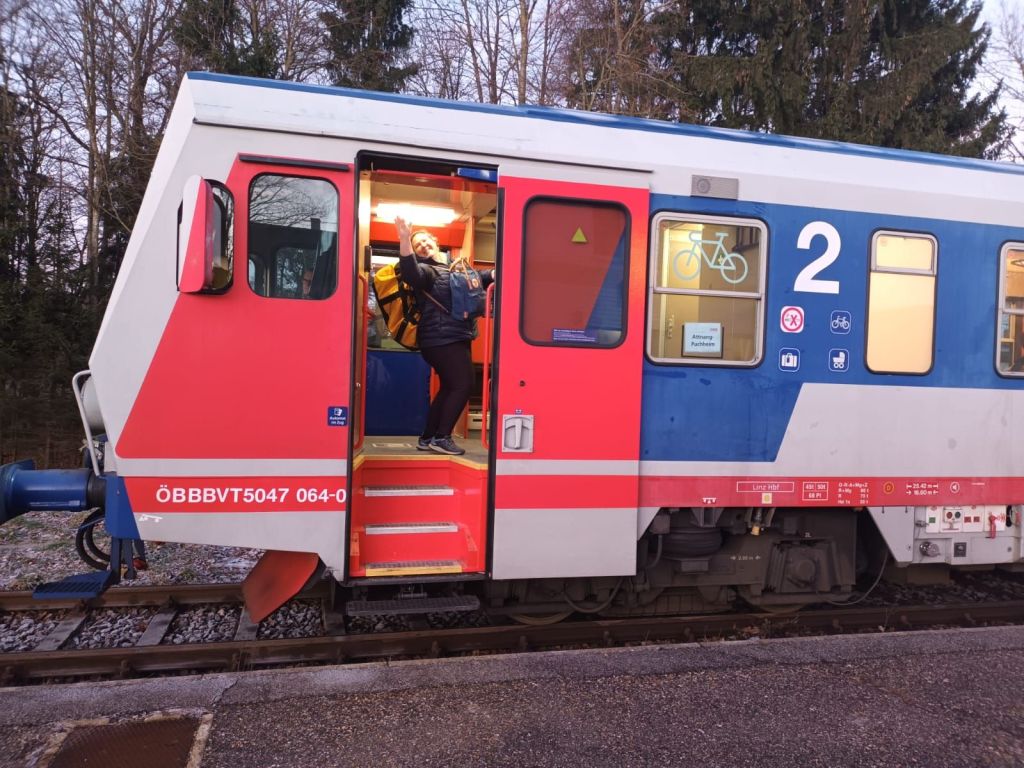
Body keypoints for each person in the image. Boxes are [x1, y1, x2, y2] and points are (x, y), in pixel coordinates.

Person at [395, 215, 494, 456]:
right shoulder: (426, 271)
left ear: (435, 241)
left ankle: (428, 437)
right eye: (418, 245)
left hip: (455, 336)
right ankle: (442, 437)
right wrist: (405, 240)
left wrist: (493, 274)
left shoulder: (454, 267)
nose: (423, 246)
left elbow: (476, 279)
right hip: (440, 339)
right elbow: (411, 274)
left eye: (425, 240)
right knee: (463, 385)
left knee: (450, 386)